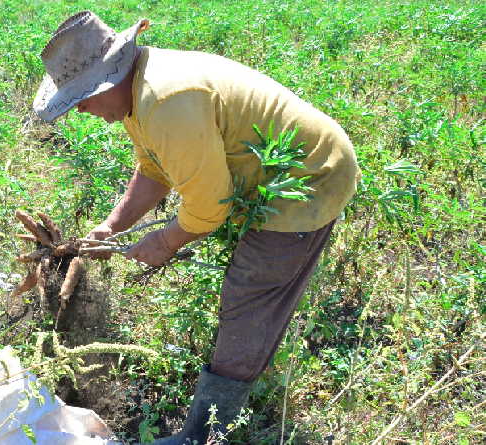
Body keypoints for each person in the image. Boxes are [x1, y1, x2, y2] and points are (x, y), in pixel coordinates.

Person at [33, 11, 360, 445]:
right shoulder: (136, 91)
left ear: (107, 77)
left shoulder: (166, 100)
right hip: (271, 175)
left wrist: (166, 240)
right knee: (247, 293)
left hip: (307, 178)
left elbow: (209, 206)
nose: (84, 110)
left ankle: (205, 434)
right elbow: (154, 167)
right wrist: (111, 227)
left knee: (248, 296)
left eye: (84, 99)